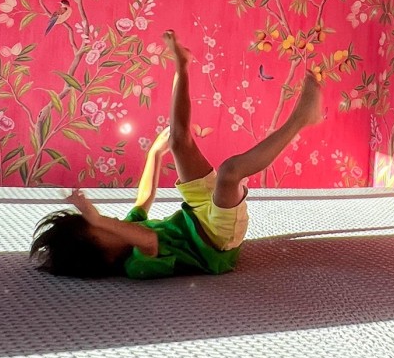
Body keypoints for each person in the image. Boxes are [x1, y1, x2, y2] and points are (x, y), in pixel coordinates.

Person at [30, 29, 324, 279]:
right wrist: (96, 218)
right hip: (216, 240)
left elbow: (143, 199)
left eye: (98, 220)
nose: (106, 221)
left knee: (179, 140)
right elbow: (148, 239)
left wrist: (155, 155)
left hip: (197, 213)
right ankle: (301, 118)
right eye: (97, 229)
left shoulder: (125, 228)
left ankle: (182, 66)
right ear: (102, 256)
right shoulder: (136, 264)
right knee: (229, 172)